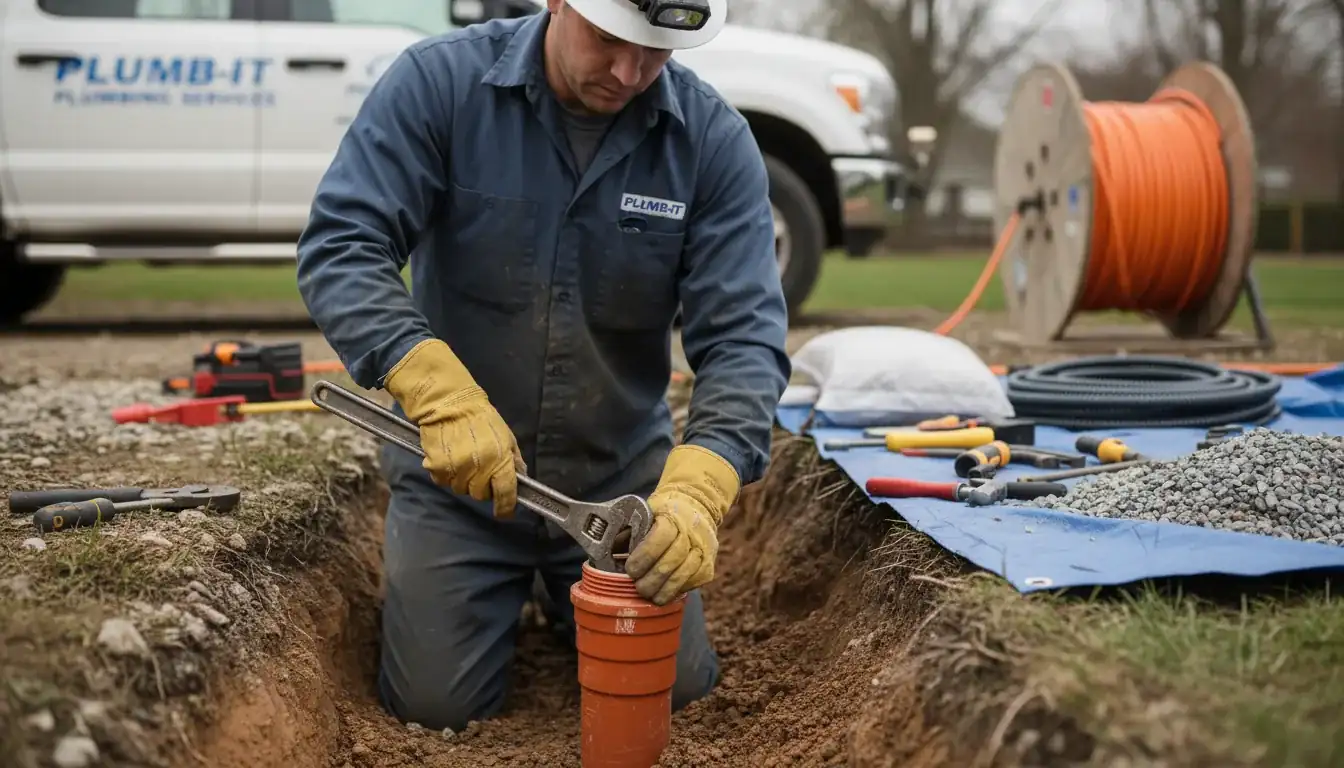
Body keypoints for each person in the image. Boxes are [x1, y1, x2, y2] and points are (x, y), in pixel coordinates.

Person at [294, 0, 790, 732]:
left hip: (623, 492)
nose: (629, 72)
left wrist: (700, 486)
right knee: (436, 708)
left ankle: (571, 599)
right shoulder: (440, 86)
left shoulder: (712, 141)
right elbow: (342, 246)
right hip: (457, 482)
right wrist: (435, 390)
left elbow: (745, 335)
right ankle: (507, 595)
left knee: (676, 692)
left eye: (655, 53)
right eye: (608, 40)